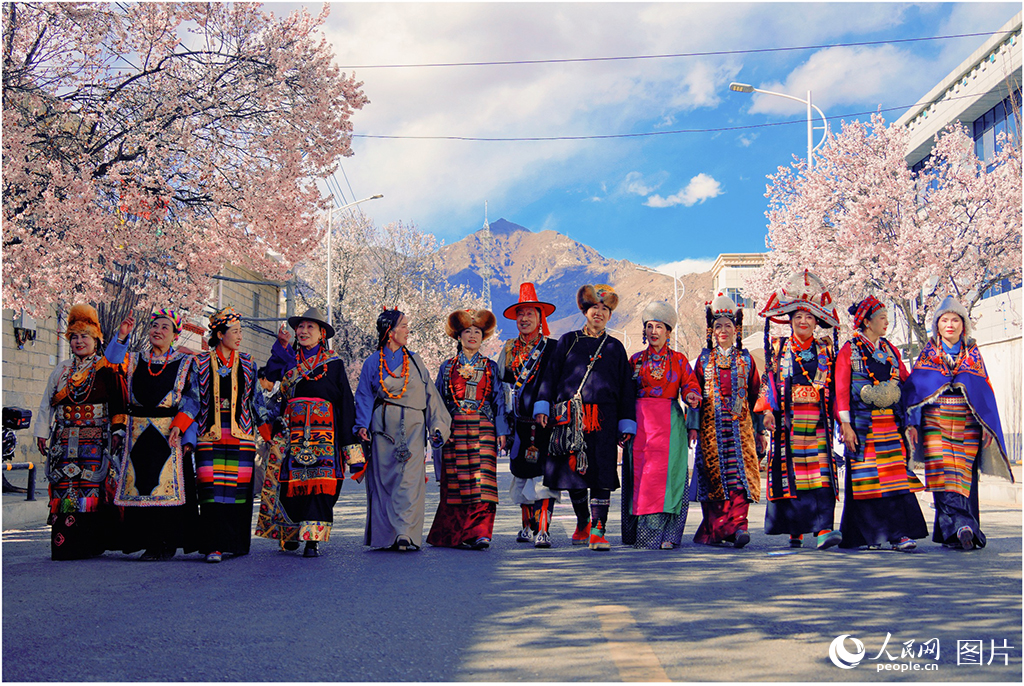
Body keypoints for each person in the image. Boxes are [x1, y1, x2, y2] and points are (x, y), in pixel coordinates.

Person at [903, 296, 1013, 551]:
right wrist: (913, 424)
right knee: (942, 473)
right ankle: (964, 525)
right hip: (935, 421)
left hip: (968, 422)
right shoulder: (928, 355)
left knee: (964, 474)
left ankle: (956, 531)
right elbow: (916, 391)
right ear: (937, 325)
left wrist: (987, 425)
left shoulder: (974, 354)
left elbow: (984, 393)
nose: (950, 325)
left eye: (955, 320)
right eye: (945, 320)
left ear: (964, 325)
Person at [535, 284, 636, 551]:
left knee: (602, 474)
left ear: (610, 315)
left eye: (605, 309)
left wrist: (626, 422)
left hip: (604, 419)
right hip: (571, 419)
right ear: (585, 311)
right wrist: (543, 405)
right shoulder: (568, 341)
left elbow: (626, 388)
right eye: (594, 308)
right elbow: (551, 375)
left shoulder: (615, 347)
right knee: (574, 475)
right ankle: (583, 520)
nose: (599, 313)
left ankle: (598, 531)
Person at [257, 307, 361, 558]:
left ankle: (312, 539)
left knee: (321, 486)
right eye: (300, 327)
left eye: (310, 327)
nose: (303, 331)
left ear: (321, 333)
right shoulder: (287, 358)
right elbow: (269, 377)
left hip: (325, 436)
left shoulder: (334, 364)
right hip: (291, 433)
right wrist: (280, 348)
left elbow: (345, 403)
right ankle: (291, 532)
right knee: (291, 484)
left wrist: (351, 445)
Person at [105, 309, 200, 561]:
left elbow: (193, 399)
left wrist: (180, 426)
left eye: (164, 327)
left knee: (166, 486)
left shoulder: (186, 362)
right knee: (141, 484)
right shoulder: (134, 359)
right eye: (154, 326)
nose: (157, 331)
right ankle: (146, 541)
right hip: (137, 431)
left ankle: (166, 542)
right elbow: (111, 361)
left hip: (169, 431)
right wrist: (122, 335)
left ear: (175, 335)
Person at [354, 308, 451, 552]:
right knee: (385, 481)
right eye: (404, 326)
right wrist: (362, 425)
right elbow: (364, 395)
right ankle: (387, 534)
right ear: (390, 331)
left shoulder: (416, 362)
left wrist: (437, 426)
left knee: (409, 480)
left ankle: (405, 533)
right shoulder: (372, 362)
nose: (408, 330)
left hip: (414, 428)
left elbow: (431, 396)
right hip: (382, 429)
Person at [835, 296, 928, 551]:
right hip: (863, 425)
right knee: (867, 481)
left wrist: (915, 411)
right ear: (866, 322)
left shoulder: (889, 349)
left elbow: (906, 382)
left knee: (896, 479)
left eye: (887, 318)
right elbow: (841, 388)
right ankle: (870, 535)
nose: (886, 323)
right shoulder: (850, 349)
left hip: (890, 424)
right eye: (881, 318)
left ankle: (899, 534)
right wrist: (845, 425)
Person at [35, 303, 127, 560]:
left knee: (91, 488)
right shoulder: (62, 370)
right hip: (63, 439)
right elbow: (46, 404)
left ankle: (90, 544)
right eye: (74, 337)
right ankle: (65, 544)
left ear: (96, 339)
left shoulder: (106, 368)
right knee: (64, 487)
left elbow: (118, 404)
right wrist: (42, 433)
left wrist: (118, 433)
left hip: (96, 439)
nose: (78, 341)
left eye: (84, 336)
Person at [759, 270, 843, 550]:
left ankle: (823, 529)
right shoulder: (779, 348)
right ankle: (795, 528)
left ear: (816, 321)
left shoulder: (825, 350)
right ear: (791, 321)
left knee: (820, 475)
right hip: (787, 421)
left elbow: (835, 385)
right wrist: (768, 411)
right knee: (791, 475)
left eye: (808, 317)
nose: (804, 321)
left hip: (817, 421)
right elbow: (769, 383)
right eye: (798, 317)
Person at [192, 307, 271, 563]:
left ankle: (234, 543)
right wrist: (180, 428)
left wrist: (268, 434)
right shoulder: (200, 362)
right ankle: (213, 545)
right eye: (235, 332)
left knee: (238, 492)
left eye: (240, 332)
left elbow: (256, 402)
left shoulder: (248, 363)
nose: (239, 337)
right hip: (209, 435)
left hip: (242, 435)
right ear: (219, 333)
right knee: (211, 491)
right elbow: (192, 399)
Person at [427, 309, 509, 550]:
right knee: (458, 484)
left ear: (483, 337)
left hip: (484, 430)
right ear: (458, 336)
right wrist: (437, 429)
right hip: (455, 432)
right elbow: (438, 401)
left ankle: (481, 533)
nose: (472, 335)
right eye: (467, 331)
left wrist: (502, 431)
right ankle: (458, 533)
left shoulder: (491, 367)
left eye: (477, 332)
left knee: (483, 482)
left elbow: (499, 402)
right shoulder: (446, 367)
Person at [623, 301, 701, 549]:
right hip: (640, 426)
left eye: (659, 327)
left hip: (670, 425)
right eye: (649, 326)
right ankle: (640, 535)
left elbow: (691, 385)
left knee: (670, 478)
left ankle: (669, 535)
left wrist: (690, 396)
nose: (653, 331)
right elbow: (624, 394)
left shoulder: (679, 360)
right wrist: (622, 426)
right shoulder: (635, 360)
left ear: (668, 332)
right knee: (642, 478)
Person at [689, 294, 763, 548]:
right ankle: (722, 529)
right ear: (712, 330)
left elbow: (756, 394)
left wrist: (760, 429)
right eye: (718, 325)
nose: (723, 330)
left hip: (741, 431)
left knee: (739, 478)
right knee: (714, 479)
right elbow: (693, 393)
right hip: (711, 431)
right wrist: (694, 428)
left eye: (727, 326)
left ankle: (740, 526)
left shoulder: (746, 359)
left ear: (736, 330)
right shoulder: (703, 360)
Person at [497, 283, 560, 548]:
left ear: (540, 318)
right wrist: (501, 426)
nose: (524, 318)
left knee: (544, 475)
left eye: (529, 313)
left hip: (545, 424)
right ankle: (526, 526)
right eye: (520, 313)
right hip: (517, 425)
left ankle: (543, 529)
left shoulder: (554, 348)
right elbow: (499, 390)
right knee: (520, 472)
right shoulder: (509, 350)